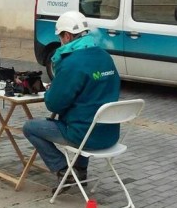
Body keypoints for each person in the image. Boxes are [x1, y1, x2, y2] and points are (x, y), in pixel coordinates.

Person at [23, 10, 120, 189]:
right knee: (87, 120)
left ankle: (63, 170)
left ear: (67, 36)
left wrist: (55, 89)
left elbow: (53, 104)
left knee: (30, 127)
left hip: (84, 135)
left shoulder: (72, 62)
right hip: (110, 134)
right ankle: (80, 171)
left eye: (60, 37)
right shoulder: (104, 57)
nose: (60, 42)